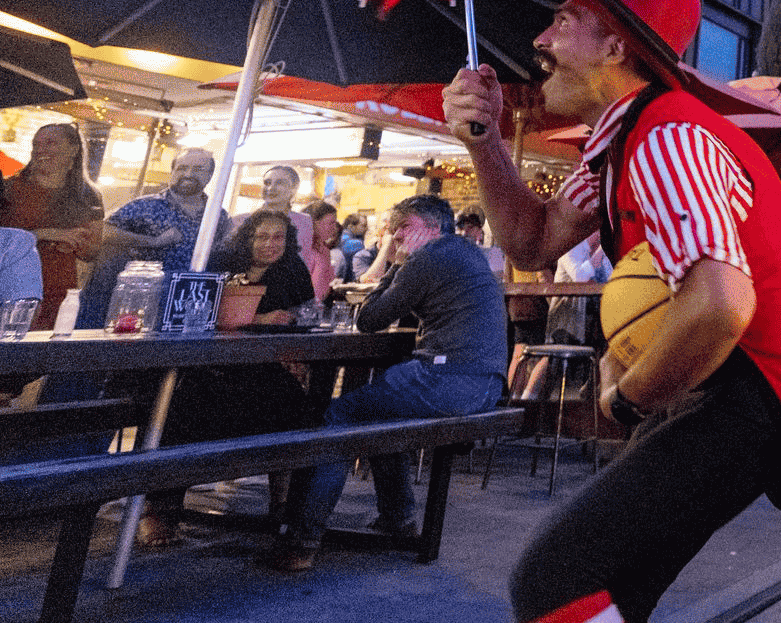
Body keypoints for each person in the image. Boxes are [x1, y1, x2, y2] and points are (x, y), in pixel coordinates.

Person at [443, 0, 781, 623]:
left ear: (617, 48)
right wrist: (485, 144)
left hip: (746, 396)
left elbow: (720, 303)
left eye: (564, 19)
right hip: (727, 394)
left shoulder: (668, 136)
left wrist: (625, 398)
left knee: (555, 580)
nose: (541, 38)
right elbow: (533, 242)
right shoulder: (621, 144)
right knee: (607, 602)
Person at [266, 194, 508, 570]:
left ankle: (302, 540)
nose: (394, 236)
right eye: (392, 230)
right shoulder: (467, 251)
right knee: (382, 415)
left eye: (403, 228)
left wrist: (395, 264)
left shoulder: (427, 257)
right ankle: (398, 520)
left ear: (432, 228)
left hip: (445, 380)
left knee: (339, 417)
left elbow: (370, 319)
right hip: (486, 385)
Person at [135, 208, 315, 545]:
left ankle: (283, 508)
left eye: (278, 237)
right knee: (181, 405)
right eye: (261, 236)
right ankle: (161, 509)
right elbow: (194, 309)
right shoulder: (219, 261)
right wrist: (259, 319)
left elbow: (307, 312)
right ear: (247, 237)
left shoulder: (292, 268)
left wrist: (292, 325)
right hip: (208, 363)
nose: (270, 244)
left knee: (296, 403)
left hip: (263, 365)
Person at [83, 148, 228, 328]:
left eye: (198, 169)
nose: (188, 174)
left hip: (191, 305)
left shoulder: (217, 214)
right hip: (143, 304)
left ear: (210, 175)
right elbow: (103, 232)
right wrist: (153, 242)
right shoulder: (145, 205)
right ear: (172, 172)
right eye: (182, 168)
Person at [0, 123, 102, 329]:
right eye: (36, 144)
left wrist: (78, 242)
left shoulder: (88, 195)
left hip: (59, 288)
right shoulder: (10, 188)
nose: (40, 150)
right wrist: (46, 234)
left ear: (73, 149)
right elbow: (4, 240)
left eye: (50, 143)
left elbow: (92, 252)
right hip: (15, 285)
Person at [303, 200, 341, 298]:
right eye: (331, 223)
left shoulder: (324, 250)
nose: (335, 228)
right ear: (314, 223)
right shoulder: (303, 249)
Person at [456, 207, 509, 279]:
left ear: (479, 231)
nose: (465, 232)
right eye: (462, 229)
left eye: (470, 228)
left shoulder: (493, 254)